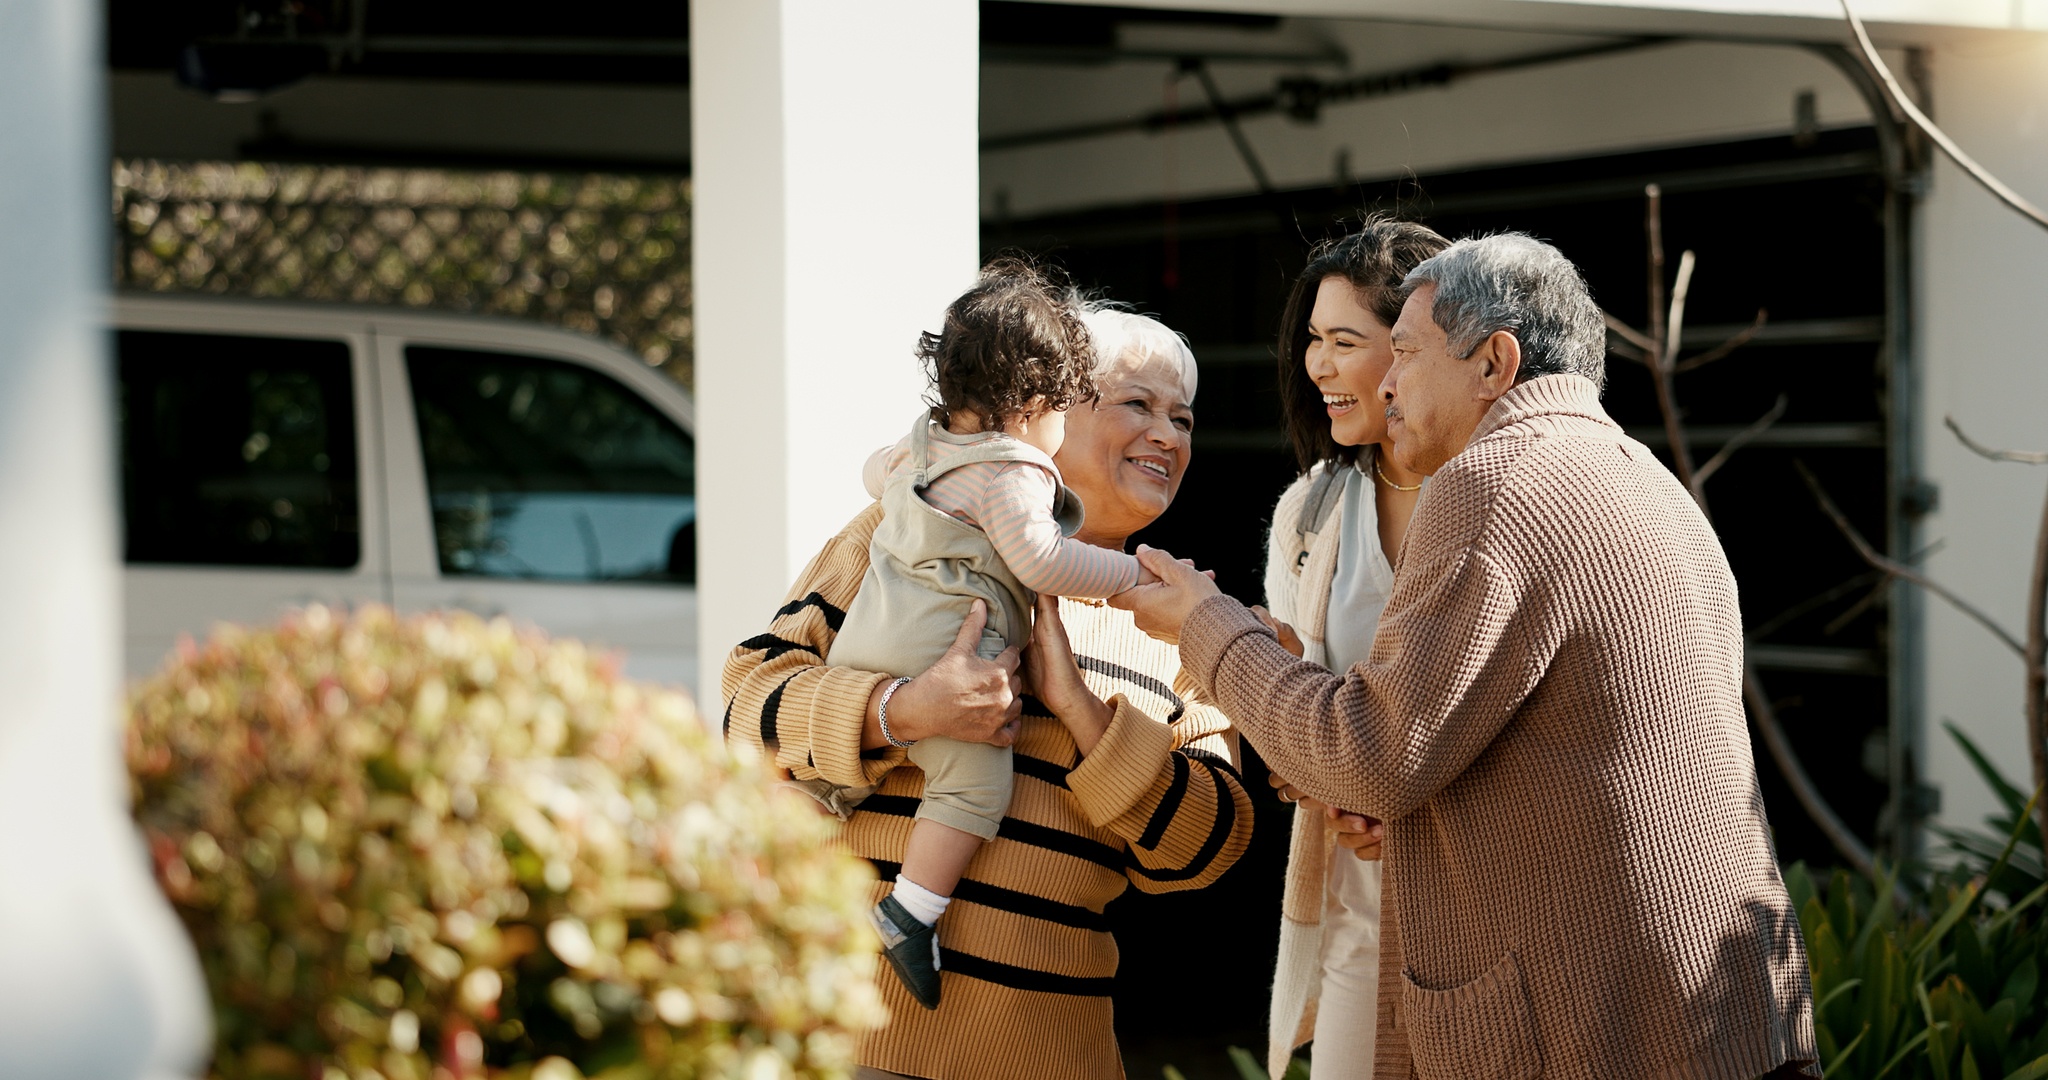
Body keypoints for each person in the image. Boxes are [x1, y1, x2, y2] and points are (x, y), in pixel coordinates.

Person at [1114, 233, 1817, 1079]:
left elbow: (1368, 751)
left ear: (1495, 362)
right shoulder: (1646, 476)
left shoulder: (1491, 484)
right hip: (1722, 1008)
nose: (1387, 381)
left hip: (1595, 1025)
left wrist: (1207, 623)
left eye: (1400, 352)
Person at [722, 301, 1254, 1080]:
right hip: (848, 1034)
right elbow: (747, 714)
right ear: (1051, 406)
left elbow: (1205, 849)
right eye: (1138, 405)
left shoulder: (1177, 614)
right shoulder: (903, 527)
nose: (1169, 436)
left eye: (1184, 419)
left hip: (1047, 1052)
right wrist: (900, 711)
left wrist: (1079, 709)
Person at [817, 260, 1155, 1008]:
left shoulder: (918, 450)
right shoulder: (1015, 472)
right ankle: (912, 912)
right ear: (1035, 403)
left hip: (865, 649)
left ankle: (824, 787)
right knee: (973, 785)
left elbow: (873, 475)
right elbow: (1042, 556)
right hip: (945, 656)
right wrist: (1129, 576)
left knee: (827, 777)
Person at [1248, 218, 1447, 1080]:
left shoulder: (1489, 494)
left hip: (1474, 905)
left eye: (1343, 342)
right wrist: (1327, 784)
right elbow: (1286, 713)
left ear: (1412, 350)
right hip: (1356, 914)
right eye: (1312, 343)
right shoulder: (1311, 512)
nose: (1318, 367)